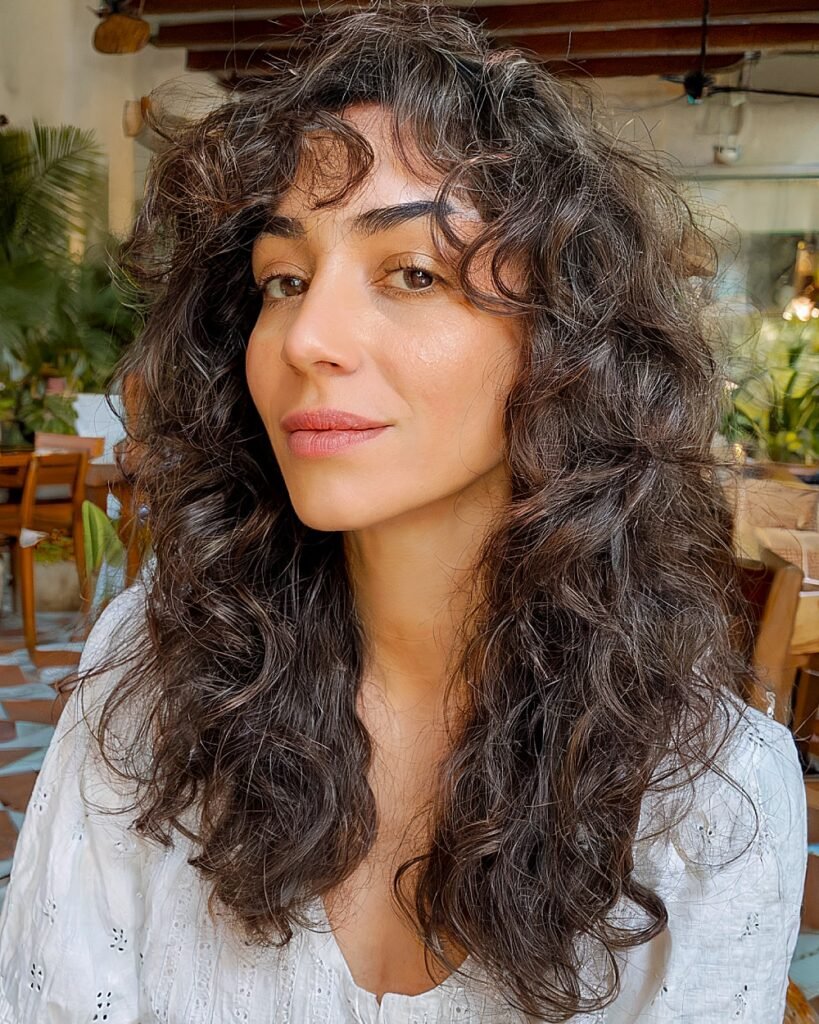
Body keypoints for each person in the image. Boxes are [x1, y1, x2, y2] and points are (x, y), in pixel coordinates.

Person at [0, 6, 807, 1022]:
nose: (307, 337)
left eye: (413, 273)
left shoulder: (709, 796)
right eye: (284, 279)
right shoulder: (152, 685)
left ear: (563, 344)